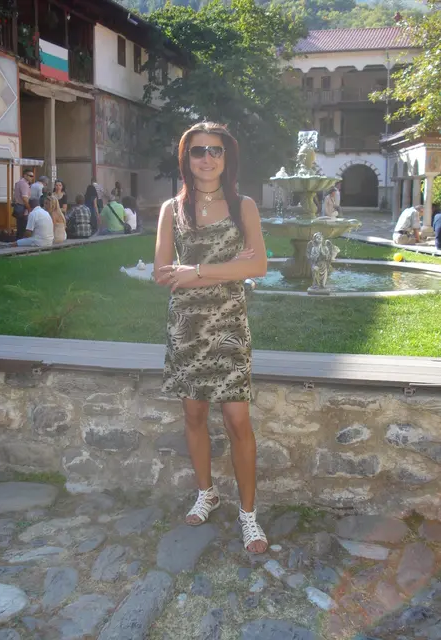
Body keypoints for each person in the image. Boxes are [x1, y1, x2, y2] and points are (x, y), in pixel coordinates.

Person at [154, 122, 268, 554]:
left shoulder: (243, 207)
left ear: (226, 157)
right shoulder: (172, 209)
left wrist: (197, 271)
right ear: (186, 158)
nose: (207, 158)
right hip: (186, 327)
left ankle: (248, 515)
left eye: (215, 150)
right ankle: (207, 493)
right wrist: (229, 268)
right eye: (198, 150)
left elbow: (258, 267)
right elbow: (163, 274)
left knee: (238, 420)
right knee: (194, 414)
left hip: (229, 327)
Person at [13, 169, 34, 239]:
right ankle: (21, 241)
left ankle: (18, 240)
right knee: (23, 227)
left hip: (18, 207)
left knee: (19, 226)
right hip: (23, 209)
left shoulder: (18, 183)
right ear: (25, 175)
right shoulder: (24, 184)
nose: (32, 177)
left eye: (32, 176)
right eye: (30, 176)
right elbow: (25, 198)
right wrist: (29, 209)